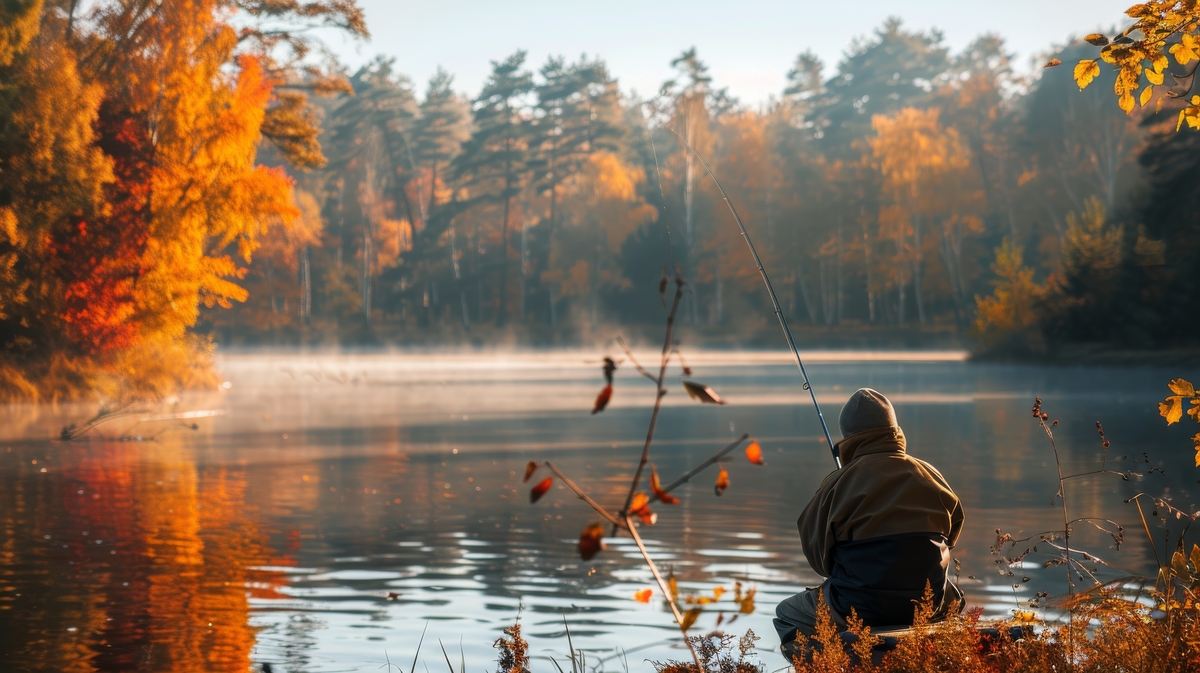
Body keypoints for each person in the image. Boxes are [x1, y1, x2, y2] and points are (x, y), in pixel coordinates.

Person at [774, 388, 964, 661]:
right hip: (927, 603)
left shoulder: (837, 484)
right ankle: (924, 658)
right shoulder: (931, 475)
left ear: (849, 436)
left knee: (787, 614)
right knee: (956, 598)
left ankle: (844, 661)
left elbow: (819, 562)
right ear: (894, 429)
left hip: (857, 606)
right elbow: (952, 537)